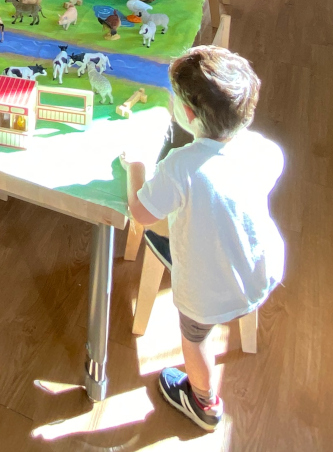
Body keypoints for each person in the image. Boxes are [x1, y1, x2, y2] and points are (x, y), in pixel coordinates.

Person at [121, 46, 286, 431]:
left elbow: (141, 214)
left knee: (195, 341)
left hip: (209, 292)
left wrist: (136, 169)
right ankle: (206, 391)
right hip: (260, 270)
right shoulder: (263, 149)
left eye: (173, 98)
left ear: (188, 114)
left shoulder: (179, 166)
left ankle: (204, 403)